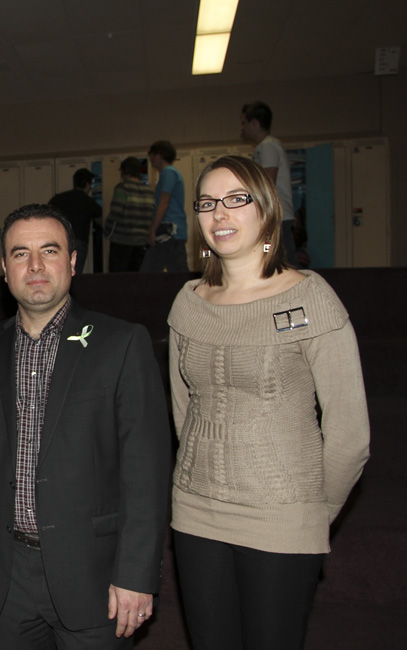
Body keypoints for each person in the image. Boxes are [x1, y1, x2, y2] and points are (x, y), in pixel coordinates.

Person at [168, 155, 370, 650]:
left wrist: (314, 514)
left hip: (283, 516)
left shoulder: (312, 298)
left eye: (236, 199)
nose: (220, 214)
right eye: (208, 203)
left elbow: (350, 435)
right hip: (195, 511)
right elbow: (183, 411)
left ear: (266, 210)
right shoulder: (187, 302)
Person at [0, 203, 171, 649]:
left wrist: (136, 574)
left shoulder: (121, 343)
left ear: (72, 262)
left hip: (93, 575)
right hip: (8, 574)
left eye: (49, 251)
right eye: (20, 254)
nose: (35, 265)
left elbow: (146, 471)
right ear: (4, 268)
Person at [240, 100, 299, 265]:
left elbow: (267, 182)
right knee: (272, 261)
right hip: (271, 216)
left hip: (277, 217)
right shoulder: (262, 148)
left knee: (287, 263)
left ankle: (305, 290)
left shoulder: (269, 146)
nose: (241, 128)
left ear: (255, 123)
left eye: (244, 123)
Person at [141, 140, 189, 272]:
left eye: (152, 155)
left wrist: (153, 231)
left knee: (177, 274)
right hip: (169, 233)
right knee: (152, 272)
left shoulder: (168, 173)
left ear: (159, 155)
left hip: (169, 232)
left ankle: (191, 293)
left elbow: (164, 203)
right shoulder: (170, 173)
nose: (150, 159)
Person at [104, 156, 155, 272]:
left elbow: (115, 212)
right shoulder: (149, 191)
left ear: (124, 171)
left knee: (117, 279)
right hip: (141, 242)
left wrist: (107, 231)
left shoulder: (122, 188)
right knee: (134, 279)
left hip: (121, 241)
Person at [48, 168, 103, 272]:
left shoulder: (59, 198)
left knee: (58, 273)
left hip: (60, 240)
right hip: (79, 241)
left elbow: (46, 215)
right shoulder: (88, 201)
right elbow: (101, 221)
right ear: (88, 184)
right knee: (75, 274)